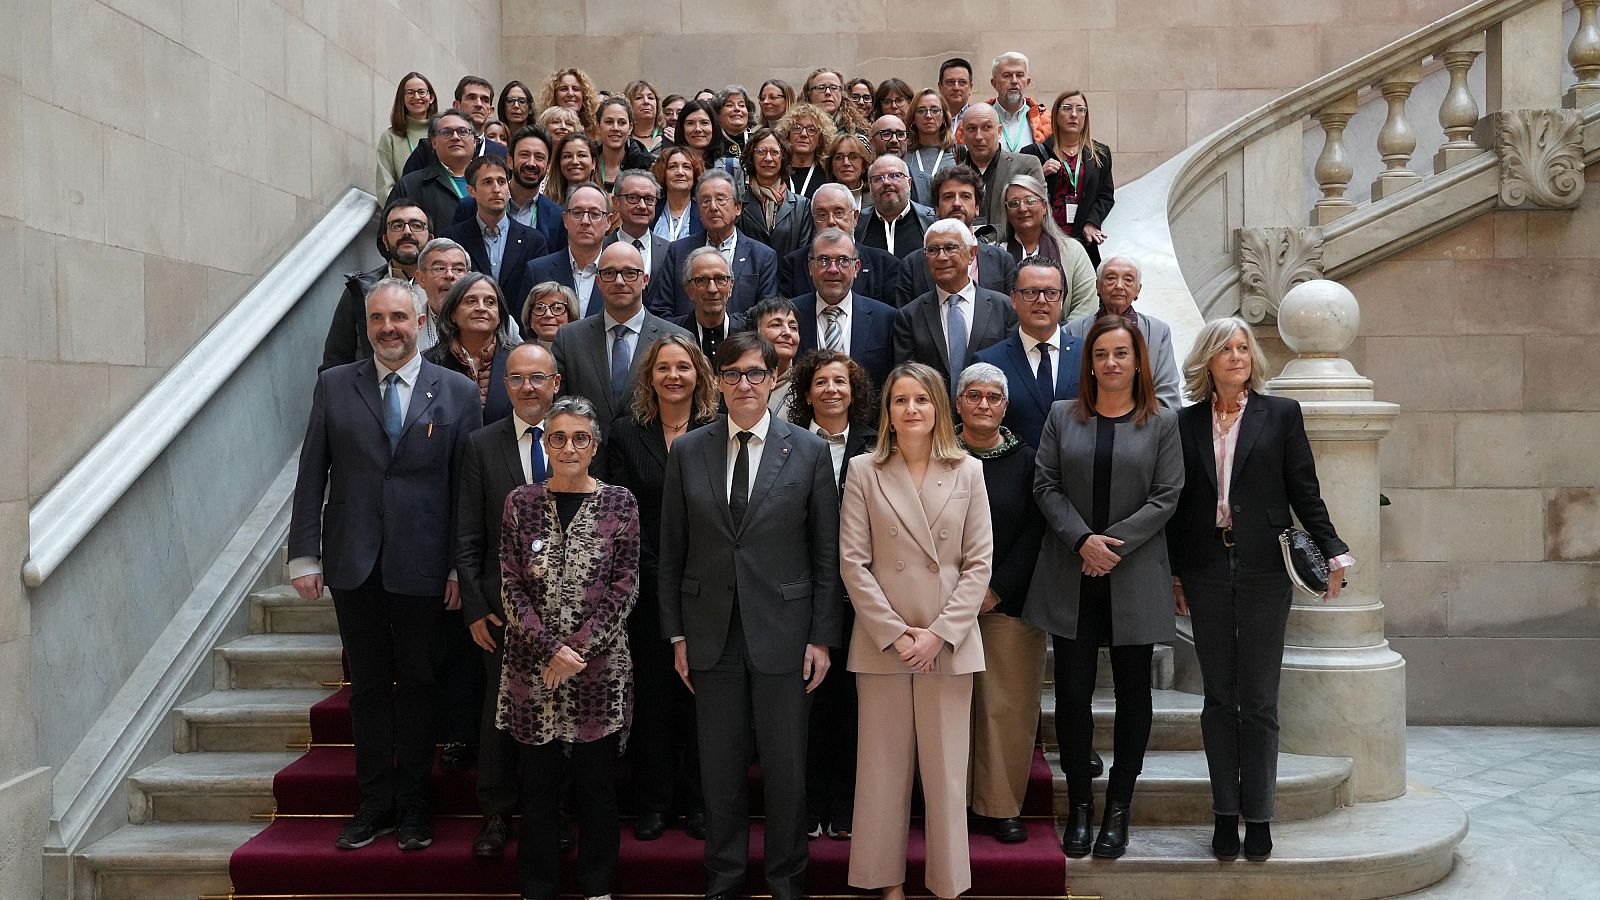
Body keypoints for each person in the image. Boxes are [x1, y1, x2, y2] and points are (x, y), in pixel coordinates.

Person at [288, 279, 483, 852]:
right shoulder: (334, 386)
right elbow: (311, 474)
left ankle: (417, 806)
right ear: (367, 325)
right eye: (378, 319)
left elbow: (465, 490)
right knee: (370, 689)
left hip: (425, 566)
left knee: (421, 685)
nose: (388, 328)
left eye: (399, 316)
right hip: (354, 560)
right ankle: (375, 802)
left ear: (422, 322)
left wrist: (457, 568)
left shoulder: (457, 391)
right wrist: (305, 553)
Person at [658, 330, 841, 900]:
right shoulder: (690, 449)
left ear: (773, 379)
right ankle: (725, 878)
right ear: (718, 381)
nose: (744, 384)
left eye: (754, 374)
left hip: (786, 635)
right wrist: (676, 633)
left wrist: (822, 637)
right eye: (732, 374)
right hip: (710, 633)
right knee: (719, 769)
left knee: (786, 770)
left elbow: (826, 554)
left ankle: (787, 880)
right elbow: (670, 550)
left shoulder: (807, 450)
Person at [1169, 317, 1352, 863]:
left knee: (1261, 698)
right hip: (1204, 570)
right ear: (1207, 359)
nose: (1236, 355)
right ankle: (1226, 813)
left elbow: (1304, 490)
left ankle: (1260, 815)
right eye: (1225, 348)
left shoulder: (1280, 415)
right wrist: (1176, 572)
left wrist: (1335, 550)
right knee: (1219, 696)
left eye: (1243, 347)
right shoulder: (1184, 424)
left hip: (1265, 571)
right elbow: (1178, 506)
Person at [1024, 315, 1182, 861]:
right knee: (1070, 696)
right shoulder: (1061, 415)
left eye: (1121, 354)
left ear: (1138, 360)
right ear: (1087, 363)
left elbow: (1167, 497)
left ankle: (1119, 806)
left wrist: (1109, 545)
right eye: (1100, 355)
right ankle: (1083, 809)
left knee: (1135, 696)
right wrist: (1080, 542)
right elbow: (1044, 483)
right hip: (1072, 575)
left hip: (1132, 574)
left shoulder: (1161, 422)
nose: (1110, 363)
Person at [839, 362, 991, 900]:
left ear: (938, 409)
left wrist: (938, 634)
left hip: (948, 642)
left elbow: (979, 564)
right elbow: (853, 563)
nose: (911, 410)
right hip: (884, 643)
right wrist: (898, 633)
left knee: (949, 773)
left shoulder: (969, 470)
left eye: (921, 400)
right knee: (881, 770)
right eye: (900, 400)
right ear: (887, 411)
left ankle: (948, 883)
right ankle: (887, 882)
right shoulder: (864, 469)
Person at [498, 395, 638, 900]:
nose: (569, 446)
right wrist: (548, 651)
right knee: (537, 793)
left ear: (595, 445)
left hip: (598, 673)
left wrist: (575, 650)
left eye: (580, 437)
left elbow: (625, 586)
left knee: (597, 791)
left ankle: (597, 887)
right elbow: (511, 585)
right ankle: (538, 888)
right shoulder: (521, 503)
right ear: (546, 444)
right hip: (531, 675)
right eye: (558, 437)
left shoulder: (620, 503)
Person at [601, 334, 721, 842]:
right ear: (649, 377)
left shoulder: (717, 432)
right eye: (663, 368)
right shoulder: (627, 433)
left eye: (684, 367)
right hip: (643, 585)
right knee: (651, 696)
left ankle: (699, 801)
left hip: (708, 584)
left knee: (700, 696)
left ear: (699, 374)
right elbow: (614, 514)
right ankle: (653, 802)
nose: (673, 376)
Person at [454, 341, 562, 858]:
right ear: (504, 385)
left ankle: (556, 814)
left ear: (556, 383)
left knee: (561, 714)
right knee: (499, 713)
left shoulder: (579, 440)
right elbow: (469, 534)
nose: (527, 387)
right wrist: (475, 606)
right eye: (517, 378)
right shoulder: (480, 444)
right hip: (501, 611)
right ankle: (496, 813)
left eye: (538, 377)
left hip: (569, 610)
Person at [951, 362, 1047, 845]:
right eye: (974, 396)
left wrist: (996, 589)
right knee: (950, 708)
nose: (983, 405)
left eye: (993, 397)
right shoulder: (938, 452)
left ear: (1005, 406)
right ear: (958, 402)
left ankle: (1000, 806)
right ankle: (950, 802)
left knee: (1004, 707)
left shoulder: (1028, 460)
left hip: (1007, 603)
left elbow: (1036, 531)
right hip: (943, 605)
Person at [787, 348, 878, 840]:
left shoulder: (876, 443)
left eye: (840, 382)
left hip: (859, 597)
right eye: (821, 382)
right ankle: (809, 803)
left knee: (851, 708)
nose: (831, 390)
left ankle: (844, 805)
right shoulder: (790, 443)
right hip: (804, 591)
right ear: (806, 392)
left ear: (854, 389)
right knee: (808, 705)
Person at [550, 241, 690, 429]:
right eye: (609, 273)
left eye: (630, 273)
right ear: (598, 281)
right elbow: (559, 408)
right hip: (588, 453)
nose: (619, 281)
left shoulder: (678, 339)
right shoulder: (569, 339)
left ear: (645, 280)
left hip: (652, 454)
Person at [972, 257, 1084, 448]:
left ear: (1062, 299)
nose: (1041, 300)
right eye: (1031, 292)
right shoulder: (988, 362)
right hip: (1014, 473)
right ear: (1014, 299)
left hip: (1076, 473)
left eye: (1051, 292)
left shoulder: (1088, 355)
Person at [892, 219, 1017, 385]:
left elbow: (1013, 371)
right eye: (933, 250)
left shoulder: (1004, 308)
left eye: (950, 248)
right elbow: (907, 380)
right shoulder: (910, 316)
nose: (942, 257)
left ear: (972, 254)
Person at [648, 170, 779, 319]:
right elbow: (661, 310)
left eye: (721, 199)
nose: (713, 207)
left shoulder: (762, 256)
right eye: (705, 201)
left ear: (737, 207)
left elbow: (766, 315)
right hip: (688, 339)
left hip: (741, 340)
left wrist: (726, 329)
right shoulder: (678, 251)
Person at [323, 199, 431, 371]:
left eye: (416, 225)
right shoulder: (360, 290)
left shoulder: (449, 289)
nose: (407, 232)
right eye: (397, 226)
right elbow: (335, 360)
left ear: (431, 239)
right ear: (386, 241)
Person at [1065, 256, 1182, 411]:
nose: (1119, 286)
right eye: (1111, 278)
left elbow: (1168, 396)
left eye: (1128, 280)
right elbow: (1067, 392)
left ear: (1138, 290)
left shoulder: (1158, 332)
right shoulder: (1072, 331)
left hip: (1145, 427)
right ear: (1098, 286)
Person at [895, 165, 1019, 307]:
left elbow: (1011, 315)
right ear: (936, 209)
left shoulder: (1001, 261)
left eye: (965, 196)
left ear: (977, 208)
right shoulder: (911, 265)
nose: (957, 204)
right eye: (948, 197)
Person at [441, 156, 548, 315]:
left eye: (502, 181)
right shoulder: (452, 240)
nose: (497, 189)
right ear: (471, 191)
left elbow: (540, 295)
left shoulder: (533, 241)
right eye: (487, 182)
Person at [791, 227, 897, 388]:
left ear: (856, 268)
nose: (833, 269)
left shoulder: (885, 318)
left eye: (843, 260)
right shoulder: (790, 315)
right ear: (811, 267)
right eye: (824, 260)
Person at [1022, 90, 1114, 267]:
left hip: (1082, 239)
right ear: (1056, 114)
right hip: (1044, 238)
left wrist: (1092, 222)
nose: (1074, 114)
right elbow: (1019, 195)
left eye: (1080, 109)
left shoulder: (1100, 154)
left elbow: (1105, 196)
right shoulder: (1033, 154)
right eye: (1067, 108)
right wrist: (1039, 174)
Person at [778, 183, 901, 302]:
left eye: (839, 213)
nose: (831, 221)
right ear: (814, 220)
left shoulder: (884, 264)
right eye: (822, 214)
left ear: (855, 217)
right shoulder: (793, 264)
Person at [424, 272, 519, 425]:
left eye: (490, 302)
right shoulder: (428, 364)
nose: (481, 308)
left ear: (500, 315)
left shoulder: (520, 360)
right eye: (471, 301)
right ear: (452, 314)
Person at [1001, 174, 1097, 320]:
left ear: (1045, 206)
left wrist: (1056, 337)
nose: (1022, 208)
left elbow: (1086, 305)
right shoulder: (996, 253)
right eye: (1014, 203)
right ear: (1007, 212)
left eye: (1030, 201)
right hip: (1008, 340)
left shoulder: (1072, 250)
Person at [956, 103, 1044, 245]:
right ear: (962, 134)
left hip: (1016, 250)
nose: (978, 136)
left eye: (986, 127)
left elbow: (1037, 215)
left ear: (999, 131)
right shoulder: (953, 177)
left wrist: (988, 238)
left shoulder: (1027, 166)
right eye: (971, 129)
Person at [389, 110, 479, 240]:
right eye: (446, 132)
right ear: (434, 142)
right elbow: (388, 236)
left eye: (463, 132)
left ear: (474, 141)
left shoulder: (493, 182)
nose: (455, 137)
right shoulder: (410, 185)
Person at [524, 183, 610, 318]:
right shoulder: (538, 271)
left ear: (608, 221)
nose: (585, 221)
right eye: (577, 213)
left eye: (594, 214)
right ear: (565, 219)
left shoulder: (621, 274)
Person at [399, 77, 509, 178]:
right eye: (471, 98)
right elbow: (407, 190)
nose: (479, 104)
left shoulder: (502, 153)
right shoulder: (427, 149)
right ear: (457, 105)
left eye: (485, 100)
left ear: (491, 110)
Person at [739, 128, 814, 260]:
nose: (768, 158)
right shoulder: (739, 204)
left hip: (789, 278)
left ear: (783, 157)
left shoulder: (802, 206)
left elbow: (804, 254)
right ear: (751, 156)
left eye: (774, 152)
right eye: (761, 152)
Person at [672, 247, 747, 362]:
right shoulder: (673, 333)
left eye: (720, 279)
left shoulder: (748, 332)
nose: (712, 289)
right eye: (702, 280)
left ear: (731, 287)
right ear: (689, 290)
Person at [857, 155, 934, 260]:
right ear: (870, 187)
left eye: (895, 176)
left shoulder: (932, 221)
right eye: (878, 178)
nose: (886, 182)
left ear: (909, 183)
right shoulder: (858, 224)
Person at [378, 72, 436, 199]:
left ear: (431, 98)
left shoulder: (444, 132)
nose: (416, 97)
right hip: (407, 213)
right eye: (410, 92)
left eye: (421, 92)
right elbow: (385, 186)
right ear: (402, 99)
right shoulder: (390, 137)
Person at [984, 52, 1052, 152]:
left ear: (1027, 82)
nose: (1014, 81)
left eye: (1019, 75)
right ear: (994, 83)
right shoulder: (978, 118)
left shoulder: (1046, 121)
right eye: (1007, 75)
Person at [415, 237, 472, 352]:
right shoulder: (408, 326)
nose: (450, 275)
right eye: (440, 268)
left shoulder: (497, 322)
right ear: (421, 278)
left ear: (469, 278)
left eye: (458, 269)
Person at [748, 296, 801, 416]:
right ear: (754, 333)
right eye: (776, 325)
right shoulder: (739, 382)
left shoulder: (807, 385)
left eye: (793, 328)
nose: (787, 333)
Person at [674, 98, 743, 188]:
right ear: (682, 129)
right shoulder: (668, 167)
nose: (698, 129)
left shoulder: (733, 167)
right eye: (690, 123)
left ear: (714, 127)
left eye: (704, 123)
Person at [594, 97, 656, 191]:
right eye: (609, 122)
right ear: (598, 127)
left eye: (622, 123)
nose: (615, 128)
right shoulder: (586, 160)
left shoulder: (646, 165)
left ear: (630, 128)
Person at [776, 102, 834, 199]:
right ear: (788, 134)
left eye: (811, 130)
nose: (803, 134)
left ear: (821, 139)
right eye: (797, 128)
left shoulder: (829, 175)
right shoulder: (777, 172)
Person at [907, 89, 954, 206]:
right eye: (921, 110)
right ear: (913, 118)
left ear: (944, 117)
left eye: (935, 110)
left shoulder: (958, 153)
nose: (928, 116)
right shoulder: (904, 155)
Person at [652, 145, 706, 244]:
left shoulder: (704, 213)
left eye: (686, 167)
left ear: (695, 174)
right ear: (663, 173)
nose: (680, 172)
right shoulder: (651, 211)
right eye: (672, 167)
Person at [803, 67, 867, 138]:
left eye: (834, 88)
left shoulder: (857, 131)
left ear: (841, 93)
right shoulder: (797, 129)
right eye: (821, 88)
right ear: (809, 94)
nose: (828, 92)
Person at [540, 66, 601, 139]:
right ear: (554, 95)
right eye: (564, 89)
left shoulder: (596, 134)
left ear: (584, 95)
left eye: (576, 89)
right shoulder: (542, 131)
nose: (570, 93)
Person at [545, 132, 599, 208]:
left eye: (581, 155)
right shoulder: (545, 205)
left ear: (593, 163)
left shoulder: (607, 203)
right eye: (567, 156)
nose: (574, 161)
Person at [825, 133, 875, 213]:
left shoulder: (875, 200)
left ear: (864, 166)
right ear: (831, 167)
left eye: (853, 157)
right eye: (839, 157)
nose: (846, 163)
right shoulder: (822, 200)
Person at [522, 282, 576, 347]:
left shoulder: (587, 353)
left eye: (557, 308)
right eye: (540, 308)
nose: (548, 314)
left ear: (571, 316)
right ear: (529, 318)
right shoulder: (517, 355)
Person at [624, 79, 665, 154]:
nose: (646, 101)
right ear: (628, 104)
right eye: (639, 98)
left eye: (650, 98)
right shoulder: (622, 139)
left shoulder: (669, 137)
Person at [716, 85, 754, 155]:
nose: (737, 109)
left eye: (741, 105)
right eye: (730, 105)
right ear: (718, 114)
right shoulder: (711, 144)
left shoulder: (758, 142)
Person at [938, 57, 975, 130]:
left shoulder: (979, 117)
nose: (956, 88)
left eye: (962, 82)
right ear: (940, 87)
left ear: (970, 87)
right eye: (950, 82)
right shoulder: (931, 119)